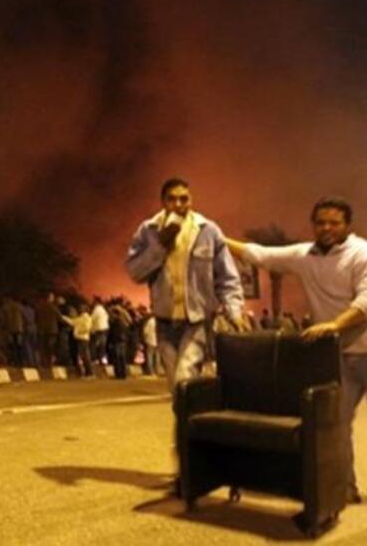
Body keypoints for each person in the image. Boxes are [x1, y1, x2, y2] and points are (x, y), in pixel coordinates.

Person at [226, 196, 367, 504]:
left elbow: (366, 301)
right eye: (320, 222)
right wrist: (211, 233)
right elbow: (259, 255)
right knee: (337, 421)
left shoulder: (362, 253)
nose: (327, 228)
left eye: (334, 222)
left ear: (348, 225)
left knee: (337, 421)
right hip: (342, 354)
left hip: (358, 347)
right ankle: (343, 488)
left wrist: (335, 325)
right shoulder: (305, 255)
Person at [126, 177, 245, 392]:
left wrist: (234, 311)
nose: (179, 205)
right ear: (162, 202)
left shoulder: (208, 230)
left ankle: (191, 423)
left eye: (184, 199)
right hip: (164, 323)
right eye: (172, 199)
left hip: (197, 320)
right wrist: (160, 245)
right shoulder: (148, 231)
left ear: (191, 200)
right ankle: (192, 424)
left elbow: (227, 277)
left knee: (184, 378)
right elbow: (135, 273)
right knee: (178, 389)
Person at [61, 303, 94, 377]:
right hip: (81, 339)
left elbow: (87, 328)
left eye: (81, 308)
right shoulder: (81, 317)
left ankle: (90, 373)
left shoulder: (86, 318)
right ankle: (87, 373)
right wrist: (63, 317)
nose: (79, 309)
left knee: (85, 356)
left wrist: (78, 331)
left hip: (83, 339)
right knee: (83, 356)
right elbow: (73, 322)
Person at [36, 293, 61, 367]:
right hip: (52, 330)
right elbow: (59, 317)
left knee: (43, 347)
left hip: (42, 330)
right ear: (50, 298)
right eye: (52, 297)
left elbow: (36, 318)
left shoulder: (39, 307)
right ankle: (49, 363)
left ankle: (43, 363)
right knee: (50, 347)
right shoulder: (53, 307)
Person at [90, 297, 109, 363]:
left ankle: (94, 359)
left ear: (97, 302)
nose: (93, 303)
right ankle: (100, 359)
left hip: (98, 330)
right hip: (105, 329)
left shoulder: (96, 309)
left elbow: (92, 319)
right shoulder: (103, 310)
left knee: (95, 345)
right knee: (102, 346)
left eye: (94, 301)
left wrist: (91, 329)